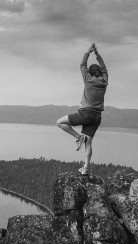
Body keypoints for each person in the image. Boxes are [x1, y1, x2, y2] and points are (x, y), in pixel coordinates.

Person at [56, 43, 108, 175]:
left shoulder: (88, 80)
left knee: (60, 122)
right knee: (89, 143)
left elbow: (82, 65)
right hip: (97, 117)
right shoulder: (105, 81)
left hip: (85, 113)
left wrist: (88, 51)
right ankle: (85, 169)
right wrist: (97, 54)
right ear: (100, 73)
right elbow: (104, 68)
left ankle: (78, 137)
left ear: (90, 74)